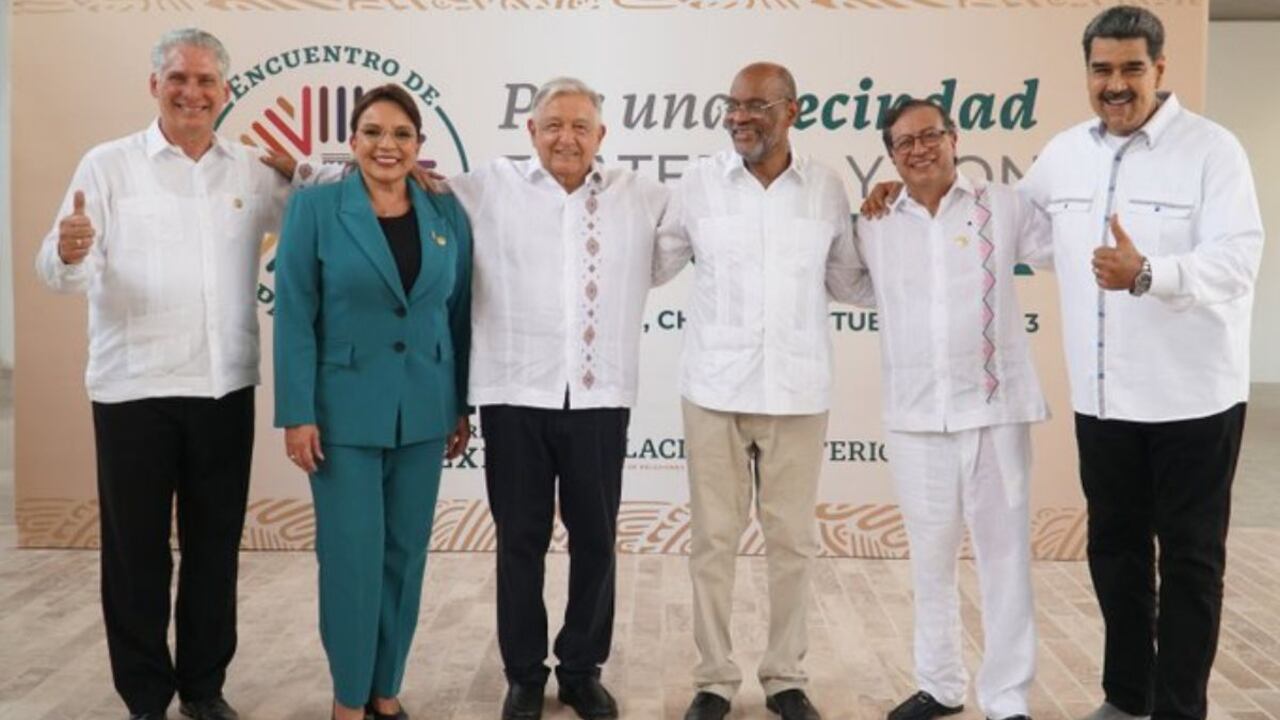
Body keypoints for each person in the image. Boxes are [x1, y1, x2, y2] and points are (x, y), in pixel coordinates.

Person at [862, 7, 1264, 719]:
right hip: (1105, 402)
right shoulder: (1063, 155)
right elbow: (1011, 219)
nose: (1116, 84)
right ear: (1087, 74)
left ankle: (1178, 708)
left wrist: (1150, 273)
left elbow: (1238, 260)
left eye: (1131, 68)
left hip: (1192, 399)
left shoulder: (1213, 150)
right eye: (1103, 69)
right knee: (1116, 558)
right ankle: (1127, 697)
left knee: (1193, 564)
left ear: (1159, 70)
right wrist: (899, 193)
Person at [34, 28, 311, 720]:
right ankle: (146, 695)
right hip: (133, 391)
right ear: (153, 85)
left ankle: (204, 687)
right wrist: (67, 252)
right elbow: (63, 268)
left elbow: (322, 221)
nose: (192, 92)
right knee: (136, 556)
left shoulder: (250, 169)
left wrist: (308, 173)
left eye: (206, 81)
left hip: (223, 388)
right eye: (179, 79)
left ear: (224, 91)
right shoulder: (107, 165)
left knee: (215, 551)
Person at [445, 77, 670, 720]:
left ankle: (580, 669)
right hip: (515, 393)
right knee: (519, 538)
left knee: (595, 538)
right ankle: (522, 673)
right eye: (553, 125)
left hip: (600, 396)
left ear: (601, 136)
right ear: (532, 132)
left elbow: (709, 221)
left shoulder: (642, 197)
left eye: (580, 126)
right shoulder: (488, 186)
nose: (566, 137)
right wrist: (305, 172)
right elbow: (407, 187)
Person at [653, 61, 864, 720]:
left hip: (798, 393)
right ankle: (713, 680)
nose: (740, 117)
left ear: (791, 110)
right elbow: (652, 264)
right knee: (713, 543)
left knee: (792, 544)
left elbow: (850, 283)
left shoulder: (827, 189)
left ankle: (785, 676)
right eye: (733, 105)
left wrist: (891, 216)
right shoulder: (696, 185)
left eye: (755, 106)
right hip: (713, 388)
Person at [272, 83, 472, 720]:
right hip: (341, 416)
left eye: (402, 135)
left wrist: (458, 406)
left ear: (419, 145)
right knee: (352, 558)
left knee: (405, 554)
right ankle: (349, 697)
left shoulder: (446, 214)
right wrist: (297, 412)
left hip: (423, 412)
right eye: (374, 133)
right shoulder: (316, 209)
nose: (388, 146)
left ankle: (387, 687)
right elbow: (295, 316)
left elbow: (458, 316)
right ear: (352, 142)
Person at [854, 99, 1051, 720]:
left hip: (996, 412)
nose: (920, 149)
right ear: (890, 155)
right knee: (930, 559)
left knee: (1004, 560)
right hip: (916, 418)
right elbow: (841, 281)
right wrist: (874, 198)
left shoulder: (1006, 204)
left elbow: (1062, 246)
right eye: (905, 142)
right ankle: (940, 685)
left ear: (954, 138)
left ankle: (1007, 697)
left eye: (931, 136)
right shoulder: (874, 221)